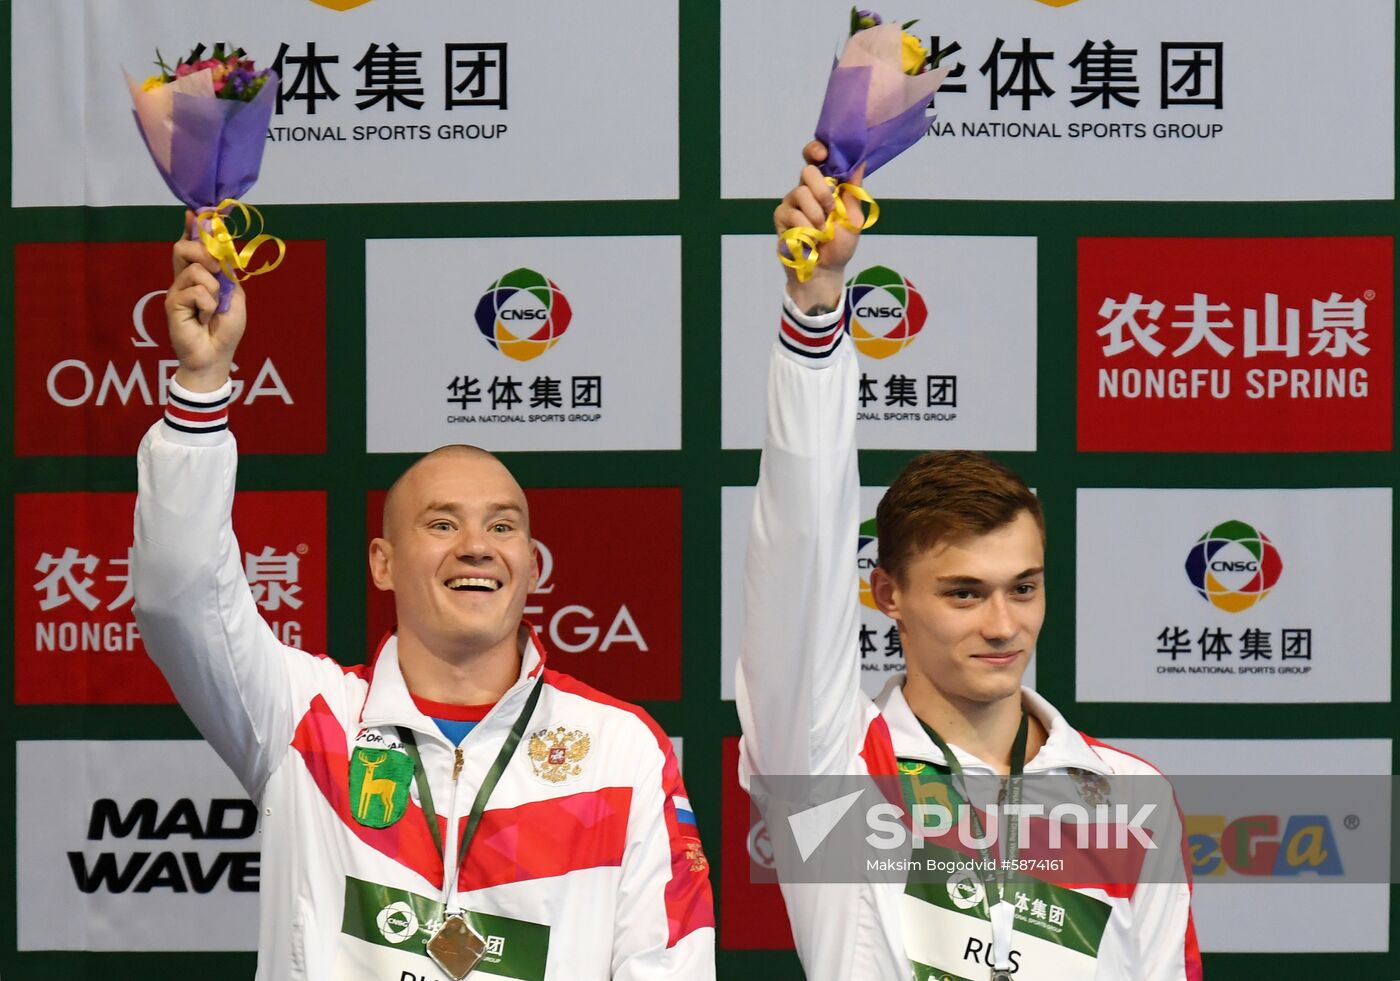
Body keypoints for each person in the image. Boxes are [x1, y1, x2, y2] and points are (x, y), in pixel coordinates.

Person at [133, 220, 715, 981]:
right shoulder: (306, 719)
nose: (477, 546)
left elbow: (669, 965)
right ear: (382, 561)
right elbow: (180, 593)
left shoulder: (620, 747)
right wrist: (202, 387)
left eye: (501, 526)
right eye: (442, 523)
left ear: (532, 565)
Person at [735, 145, 1202, 981]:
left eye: (1024, 586)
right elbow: (800, 543)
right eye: (963, 593)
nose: (1003, 623)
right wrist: (816, 305)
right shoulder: (828, 763)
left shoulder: (1129, 795)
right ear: (887, 594)